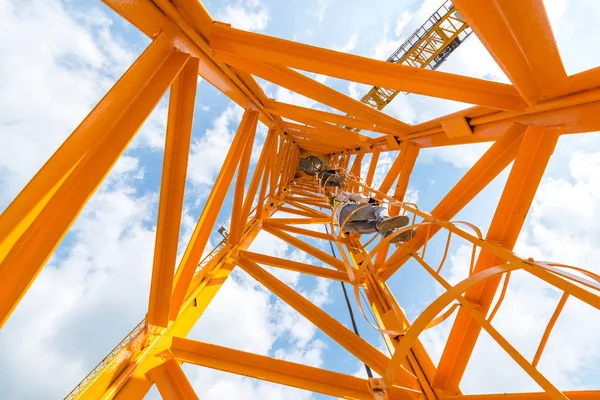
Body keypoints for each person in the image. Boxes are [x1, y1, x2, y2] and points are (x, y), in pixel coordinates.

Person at [330, 191, 413, 243]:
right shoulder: (341, 195)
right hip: (346, 210)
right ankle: (383, 220)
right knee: (377, 210)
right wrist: (369, 200)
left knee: (375, 226)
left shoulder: (334, 212)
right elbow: (358, 197)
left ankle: (388, 233)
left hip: (343, 226)